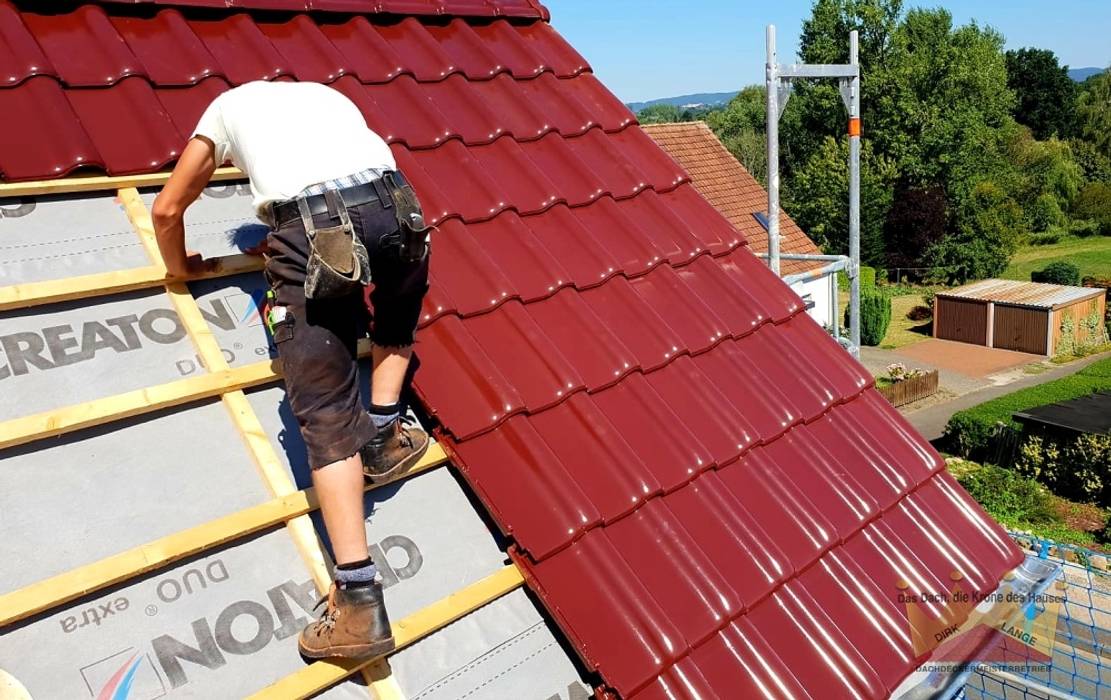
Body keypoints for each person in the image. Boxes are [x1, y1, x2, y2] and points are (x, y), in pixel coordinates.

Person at [151, 81, 431, 661]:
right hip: (399, 208)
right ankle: (384, 433)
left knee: (325, 411)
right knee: (394, 322)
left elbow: (167, 207)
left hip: (310, 224)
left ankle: (357, 601)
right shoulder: (329, 97)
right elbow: (355, 192)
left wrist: (180, 269)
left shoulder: (225, 107)